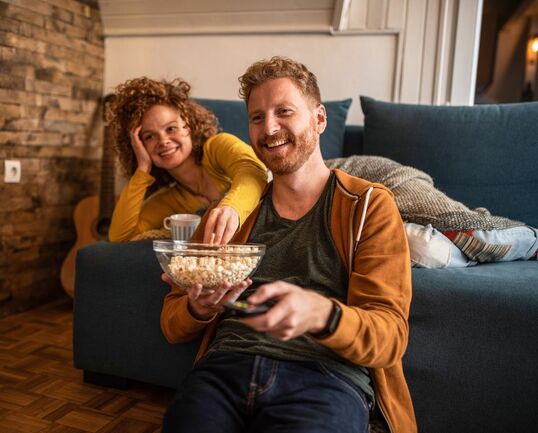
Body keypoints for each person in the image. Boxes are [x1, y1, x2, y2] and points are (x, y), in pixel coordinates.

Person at [160, 57, 417, 433]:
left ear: (319, 119)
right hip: (226, 368)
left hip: (327, 377)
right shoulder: (230, 215)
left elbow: (389, 336)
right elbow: (171, 322)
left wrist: (321, 314)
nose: (270, 128)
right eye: (257, 117)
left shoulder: (368, 205)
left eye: (284, 111)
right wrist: (197, 308)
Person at [107, 77, 268, 244]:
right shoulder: (167, 200)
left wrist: (231, 209)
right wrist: (142, 167)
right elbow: (120, 237)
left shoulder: (218, 146)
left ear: (189, 125)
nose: (163, 140)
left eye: (171, 128)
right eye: (149, 136)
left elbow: (254, 171)